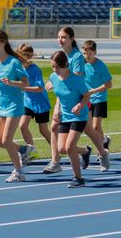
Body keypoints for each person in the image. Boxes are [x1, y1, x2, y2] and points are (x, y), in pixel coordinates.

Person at [0, 29, 30, 182]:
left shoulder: (14, 62)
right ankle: (23, 150)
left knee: (6, 141)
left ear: (3, 42)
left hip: (15, 105)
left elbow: (26, 83)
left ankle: (19, 172)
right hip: (1, 105)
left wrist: (12, 83)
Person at [45, 51, 92, 188]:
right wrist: (57, 109)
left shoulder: (76, 79)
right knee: (61, 149)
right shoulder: (54, 77)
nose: (55, 70)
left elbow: (87, 95)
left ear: (65, 65)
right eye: (52, 67)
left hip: (79, 116)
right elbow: (59, 95)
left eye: (57, 67)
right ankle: (85, 151)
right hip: (65, 116)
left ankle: (78, 178)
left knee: (69, 147)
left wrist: (79, 105)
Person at [45, 26, 86, 172]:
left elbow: (74, 81)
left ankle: (95, 150)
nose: (60, 40)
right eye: (59, 37)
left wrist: (56, 80)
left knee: (92, 130)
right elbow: (61, 81)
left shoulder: (77, 57)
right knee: (54, 127)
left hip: (78, 100)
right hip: (65, 99)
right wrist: (55, 79)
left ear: (71, 39)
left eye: (63, 37)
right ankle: (57, 160)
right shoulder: (61, 55)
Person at [16, 43, 51, 164]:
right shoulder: (19, 69)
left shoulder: (35, 69)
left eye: (24, 55)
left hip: (40, 103)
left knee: (44, 130)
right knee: (23, 125)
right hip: (28, 102)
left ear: (29, 56)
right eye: (20, 55)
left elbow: (40, 88)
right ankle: (29, 149)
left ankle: (57, 149)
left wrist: (24, 88)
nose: (21, 58)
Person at [82, 40, 113, 172]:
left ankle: (102, 154)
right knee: (88, 128)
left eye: (89, 53)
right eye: (84, 53)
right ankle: (104, 139)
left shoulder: (100, 66)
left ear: (95, 52)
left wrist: (94, 91)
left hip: (99, 97)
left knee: (95, 126)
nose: (87, 55)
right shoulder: (81, 64)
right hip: (87, 99)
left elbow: (108, 84)